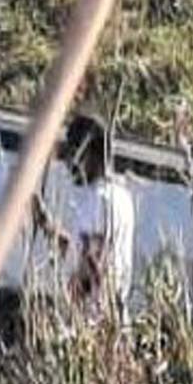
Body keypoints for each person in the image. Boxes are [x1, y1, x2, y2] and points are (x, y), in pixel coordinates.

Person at [64, 114, 136, 322]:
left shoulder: (97, 198)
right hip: (116, 316)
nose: (70, 162)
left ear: (92, 153)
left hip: (94, 319)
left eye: (74, 152)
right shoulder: (122, 196)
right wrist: (45, 223)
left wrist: (71, 308)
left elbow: (92, 262)